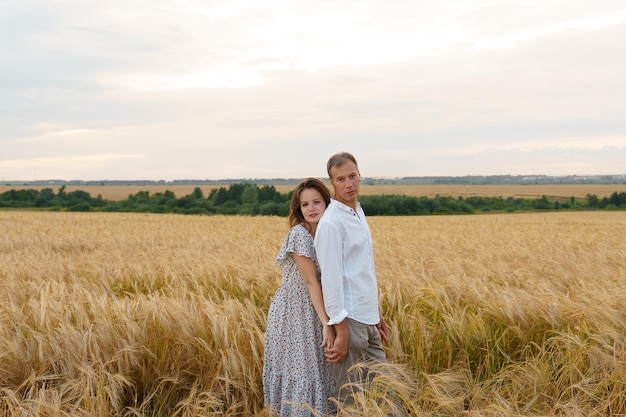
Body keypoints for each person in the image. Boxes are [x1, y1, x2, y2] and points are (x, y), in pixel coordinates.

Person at [314, 151, 390, 403]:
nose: (349, 184)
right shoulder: (331, 223)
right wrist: (342, 331)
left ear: (360, 176)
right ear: (331, 183)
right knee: (350, 400)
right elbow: (331, 280)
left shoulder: (358, 212)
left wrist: (375, 312)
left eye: (352, 176)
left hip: (368, 319)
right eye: (340, 179)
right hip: (350, 321)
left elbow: (362, 269)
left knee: (386, 394)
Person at [263, 178, 336, 417]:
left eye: (317, 202)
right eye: (305, 204)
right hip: (295, 313)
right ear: (299, 209)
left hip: (317, 308)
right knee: (304, 372)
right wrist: (328, 323)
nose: (311, 208)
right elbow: (311, 281)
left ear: (327, 203)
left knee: (321, 371)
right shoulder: (299, 235)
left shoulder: (326, 233)